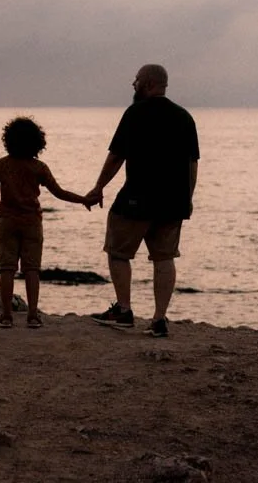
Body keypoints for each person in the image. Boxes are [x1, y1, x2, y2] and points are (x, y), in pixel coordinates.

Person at [86, 64, 199, 338]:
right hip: (173, 201)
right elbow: (191, 164)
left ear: (147, 83)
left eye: (136, 80)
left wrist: (98, 187)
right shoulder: (184, 117)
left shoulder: (135, 113)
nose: (133, 85)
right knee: (164, 258)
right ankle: (159, 319)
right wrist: (188, 198)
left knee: (117, 252)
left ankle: (124, 310)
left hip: (137, 198)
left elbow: (116, 156)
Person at [0, 117, 96, 329]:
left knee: (6, 269)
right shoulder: (39, 167)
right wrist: (84, 199)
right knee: (32, 270)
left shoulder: (0, 166)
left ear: (8, 140)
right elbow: (59, 193)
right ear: (37, 142)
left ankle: (6, 316)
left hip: (7, 222)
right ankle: (32, 315)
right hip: (32, 223)